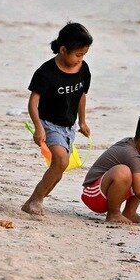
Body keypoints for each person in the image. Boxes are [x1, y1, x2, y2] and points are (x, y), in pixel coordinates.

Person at [22, 22, 93, 217]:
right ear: (63, 50)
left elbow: (81, 95)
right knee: (61, 160)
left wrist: (82, 121)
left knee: (59, 170)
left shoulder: (83, 69)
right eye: (78, 55)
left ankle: (36, 200)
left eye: (83, 55)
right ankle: (34, 200)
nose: (80, 59)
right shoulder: (46, 73)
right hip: (49, 124)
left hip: (69, 127)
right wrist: (38, 127)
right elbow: (33, 102)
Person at [80, 111, 140, 227]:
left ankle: (130, 213)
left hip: (105, 193)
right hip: (93, 194)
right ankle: (114, 213)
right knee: (123, 172)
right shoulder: (130, 153)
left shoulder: (131, 144)